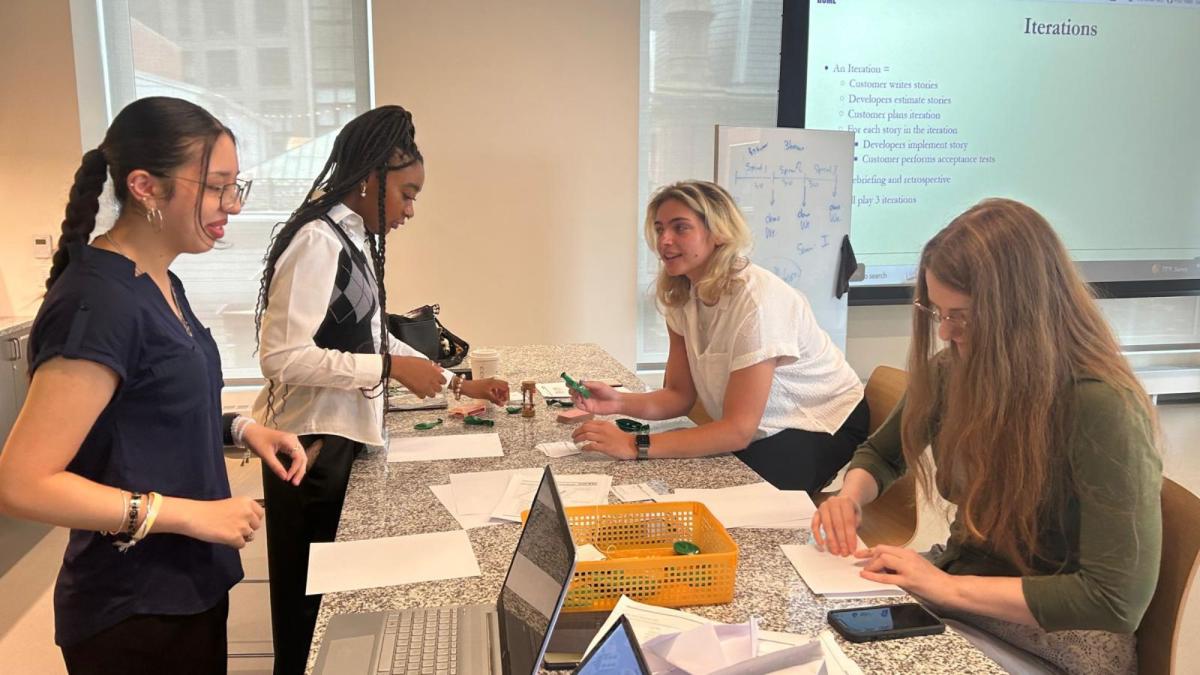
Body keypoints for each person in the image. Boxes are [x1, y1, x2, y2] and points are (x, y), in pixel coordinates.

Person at [0, 96, 307, 674]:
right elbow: (22, 483)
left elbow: (141, 410)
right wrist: (188, 514)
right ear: (144, 186)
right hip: (133, 605)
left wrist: (242, 429)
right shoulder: (99, 301)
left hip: (187, 583)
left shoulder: (159, 279)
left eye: (235, 186)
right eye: (216, 187)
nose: (231, 207)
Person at [812, 198, 1161, 674]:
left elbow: (1114, 600)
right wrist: (850, 498)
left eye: (965, 316)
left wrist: (944, 587)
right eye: (938, 312)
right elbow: (883, 453)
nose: (947, 333)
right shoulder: (955, 369)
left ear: (1026, 311)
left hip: (1060, 640)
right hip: (966, 589)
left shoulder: (1100, 406)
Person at [251, 104, 509, 674]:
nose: (410, 210)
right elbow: (282, 357)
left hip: (339, 440)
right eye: (407, 194)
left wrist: (457, 381)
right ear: (371, 177)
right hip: (307, 448)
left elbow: (369, 334)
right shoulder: (318, 241)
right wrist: (388, 368)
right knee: (308, 615)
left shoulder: (351, 239)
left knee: (333, 605)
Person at [571, 180, 866, 493]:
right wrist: (617, 402)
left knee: (720, 496)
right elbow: (679, 396)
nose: (665, 241)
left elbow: (737, 431)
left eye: (680, 228)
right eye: (659, 229)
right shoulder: (681, 293)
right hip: (753, 426)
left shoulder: (757, 301)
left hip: (816, 422)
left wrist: (635, 444)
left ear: (719, 233)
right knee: (672, 479)